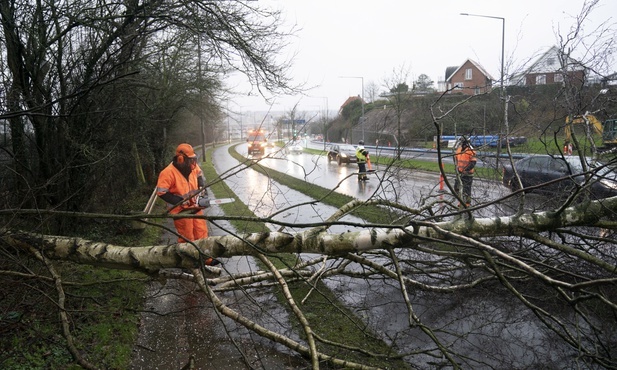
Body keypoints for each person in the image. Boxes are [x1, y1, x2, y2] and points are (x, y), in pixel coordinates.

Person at [156, 143, 220, 266]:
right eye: (190, 159)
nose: (193, 162)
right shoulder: (168, 172)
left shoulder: (193, 167)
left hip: (195, 207)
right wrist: (178, 201)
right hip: (181, 211)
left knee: (202, 233)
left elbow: (199, 175)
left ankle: (206, 258)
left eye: (193, 159)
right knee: (187, 237)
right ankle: (188, 263)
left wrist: (202, 191)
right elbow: (161, 192)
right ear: (181, 159)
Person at [453, 137, 477, 207]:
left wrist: (466, 170)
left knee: (467, 189)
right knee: (457, 187)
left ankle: (467, 203)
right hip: (460, 172)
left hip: (468, 174)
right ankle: (461, 201)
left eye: (462, 142)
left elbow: (473, 163)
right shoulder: (459, 149)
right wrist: (457, 167)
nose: (460, 143)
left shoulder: (471, 150)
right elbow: (455, 158)